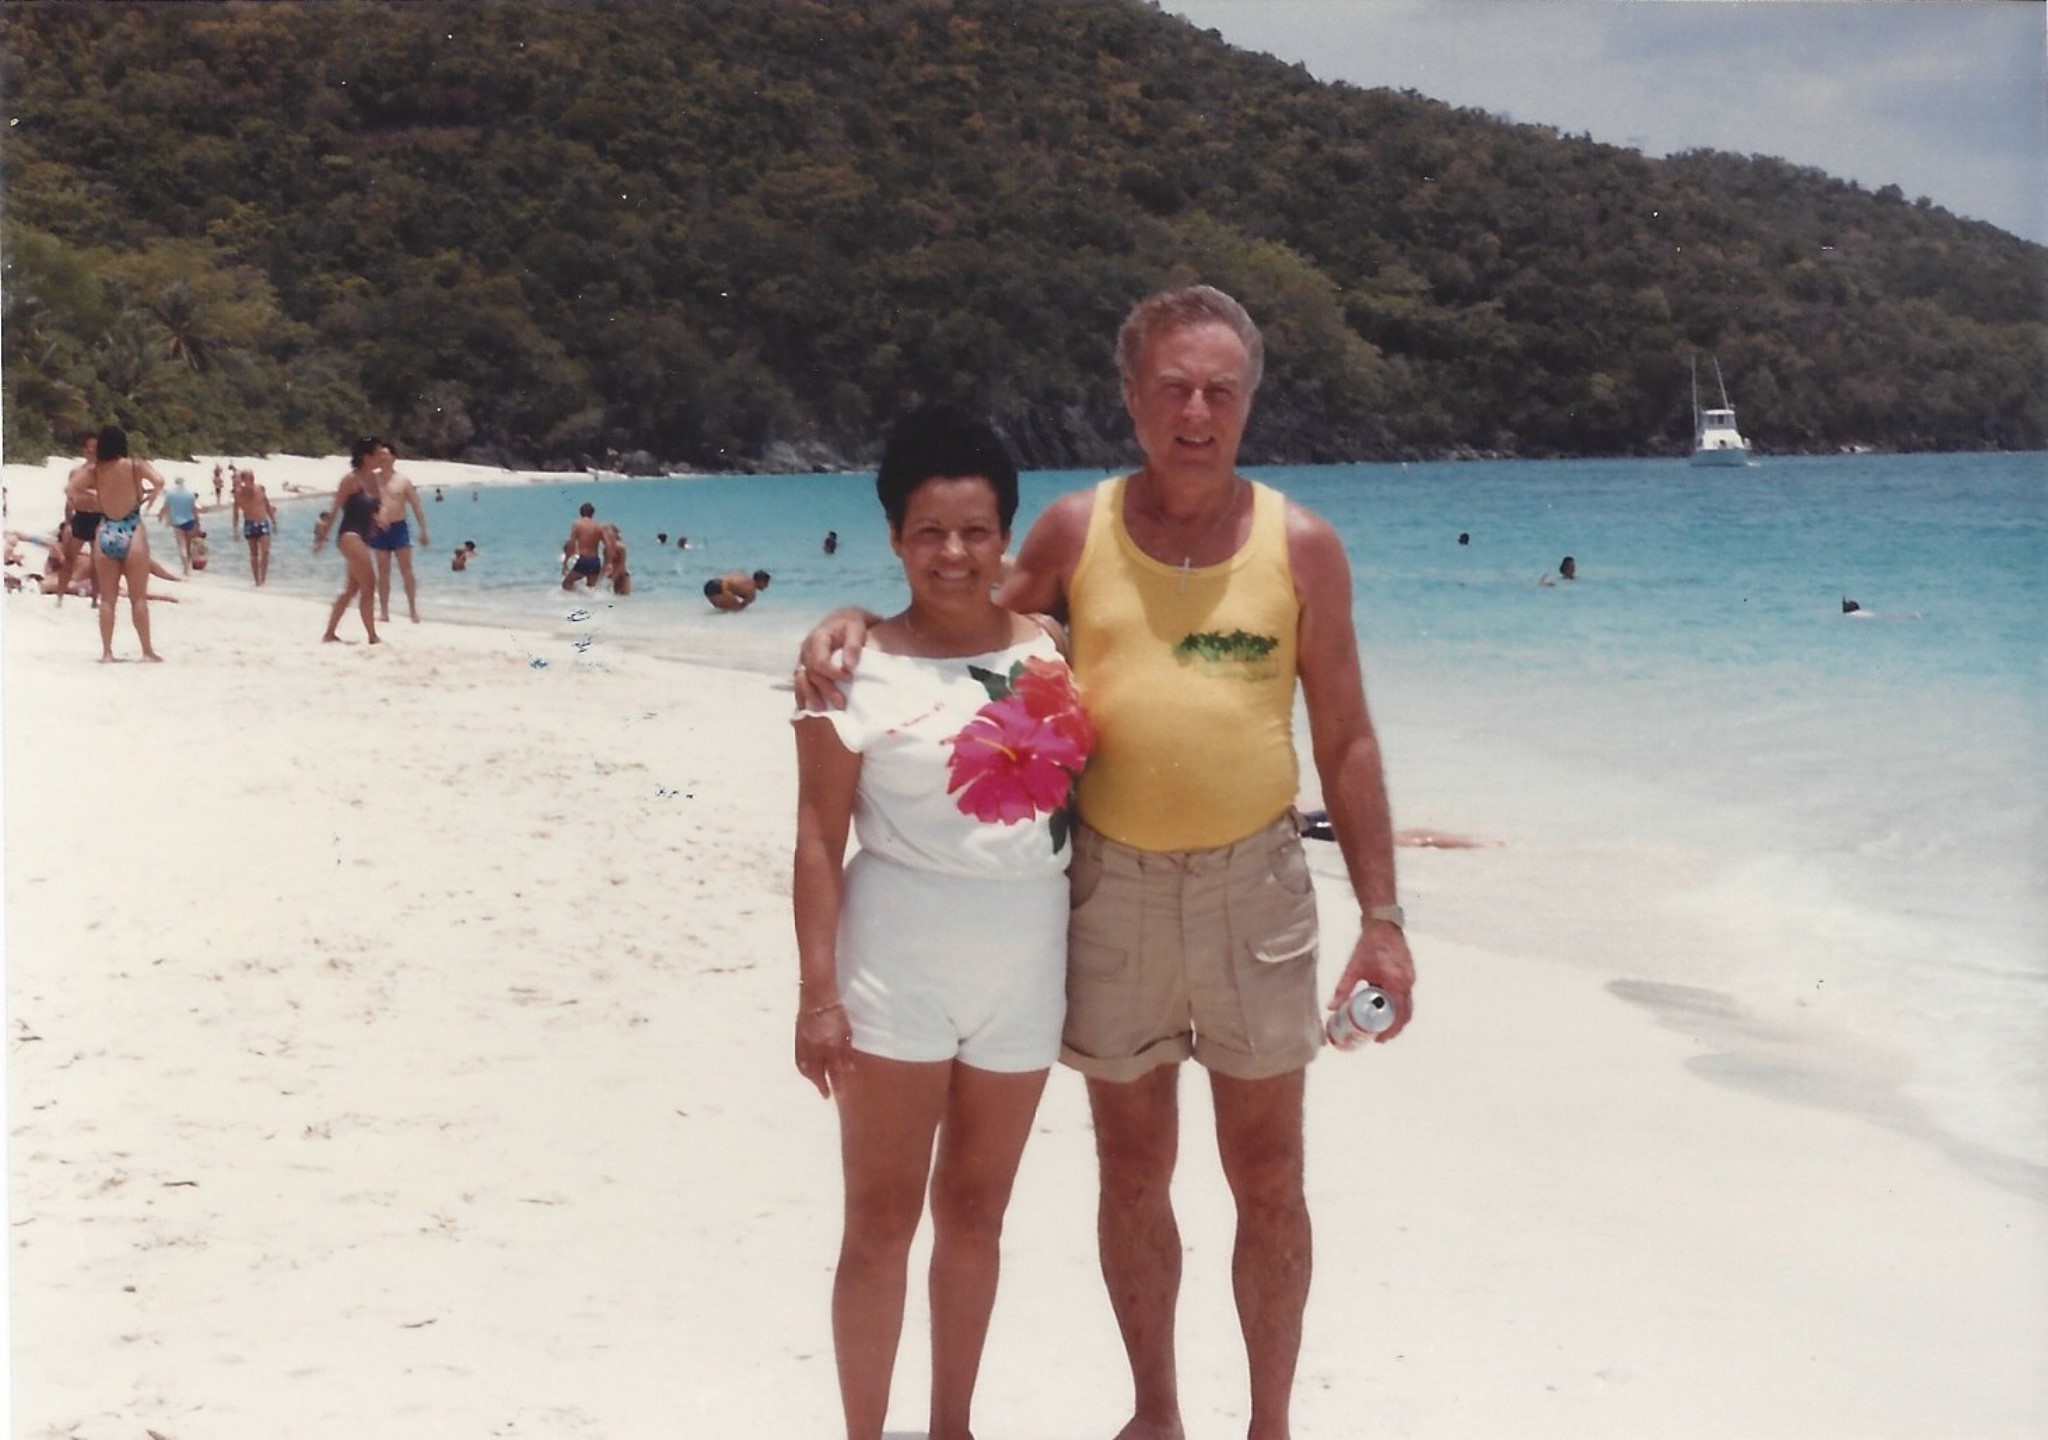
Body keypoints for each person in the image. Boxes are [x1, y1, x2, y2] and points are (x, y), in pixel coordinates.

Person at [799, 285, 1415, 1440]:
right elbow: (957, 625)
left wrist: (1380, 916)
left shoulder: (1302, 547)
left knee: (1267, 1175)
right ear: (1130, 400)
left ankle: (1269, 1425)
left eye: (1219, 391)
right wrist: (849, 623)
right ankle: (1155, 1415)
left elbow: (1346, 737)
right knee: (1131, 1169)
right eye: (1172, 388)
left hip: (1256, 891)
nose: (1195, 412)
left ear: (1248, 402)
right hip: (1109, 890)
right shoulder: (1074, 533)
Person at [792, 406, 1091, 1440]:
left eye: (974, 531)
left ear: (1006, 536)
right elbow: (816, 836)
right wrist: (816, 996)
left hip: (1027, 969)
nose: (952, 554)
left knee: (977, 1216)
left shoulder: (1056, 649)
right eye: (928, 532)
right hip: (894, 971)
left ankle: (951, 1426)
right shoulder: (846, 669)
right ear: (893, 538)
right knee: (879, 1224)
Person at [87, 425, 167, 662]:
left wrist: (94, 499)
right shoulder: (134, 466)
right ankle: (146, 651)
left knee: (107, 599)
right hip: (132, 527)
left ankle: (107, 653)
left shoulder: (96, 470)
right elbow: (159, 480)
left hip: (106, 528)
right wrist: (149, 496)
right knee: (138, 598)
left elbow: (71, 489)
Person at [313, 437, 384, 644]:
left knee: (352, 589)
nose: (381, 457)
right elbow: (334, 510)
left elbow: (375, 511)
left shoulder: (374, 481)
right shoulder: (351, 480)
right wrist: (322, 538)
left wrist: (379, 524)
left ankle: (329, 633)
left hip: (363, 538)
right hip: (349, 536)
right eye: (378, 454)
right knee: (370, 584)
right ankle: (372, 636)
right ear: (366, 457)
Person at [368, 442, 429, 622]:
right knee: (383, 572)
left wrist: (423, 530)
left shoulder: (403, 480)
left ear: (394, 457)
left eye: (386, 454)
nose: (383, 457)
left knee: (406, 570)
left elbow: (416, 505)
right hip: (379, 529)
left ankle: (413, 610)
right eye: (380, 454)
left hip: (399, 528)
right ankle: (384, 612)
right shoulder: (372, 480)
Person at [59, 433, 101, 607]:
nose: (93, 451)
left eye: (96, 448)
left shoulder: (106, 472)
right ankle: (60, 597)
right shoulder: (76, 472)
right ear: (84, 449)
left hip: (99, 518)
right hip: (81, 517)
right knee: (69, 559)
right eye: (90, 447)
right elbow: (69, 499)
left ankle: (95, 599)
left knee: (98, 561)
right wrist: (68, 523)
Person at [232, 468, 278, 586]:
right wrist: (235, 529)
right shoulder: (239, 494)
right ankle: (257, 580)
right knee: (254, 553)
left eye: (252, 477)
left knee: (265, 551)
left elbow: (267, 505)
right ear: (243, 480)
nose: (252, 480)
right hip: (250, 524)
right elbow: (235, 512)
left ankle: (263, 579)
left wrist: (273, 521)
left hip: (262, 522)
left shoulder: (260, 489)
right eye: (249, 478)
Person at [156, 475, 201, 574]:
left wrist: (160, 516)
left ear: (176, 482)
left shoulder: (170, 494)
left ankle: (185, 569)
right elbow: (194, 510)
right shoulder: (190, 494)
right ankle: (189, 566)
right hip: (190, 521)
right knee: (188, 545)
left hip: (177, 523)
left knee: (182, 546)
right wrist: (198, 524)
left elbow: (165, 507)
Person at [560, 502, 606, 591]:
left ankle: (576, 598)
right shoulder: (599, 527)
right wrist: (608, 563)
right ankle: (588, 599)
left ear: (581, 513)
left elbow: (572, 544)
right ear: (592, 513)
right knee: (591, 589)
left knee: (566, 584)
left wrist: (566, 561)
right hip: (595, 561)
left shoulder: (577, 525)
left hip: (584, 560)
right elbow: (607, 546)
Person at [704, 568, 770, 612]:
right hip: (721, 586)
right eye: (766, 583)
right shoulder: (752, 591)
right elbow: (741, 607)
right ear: (761, 581)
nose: (767, 586)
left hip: (709, 585)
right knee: (736, 610)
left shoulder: (743, 575)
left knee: (721, 611)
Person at [602, 523, 631, 595]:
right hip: (613, 576)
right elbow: (605, 564)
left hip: (622, 576)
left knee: (624, 599)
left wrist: (612, 579)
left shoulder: (621, 547)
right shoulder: (606, 549)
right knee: (614, 600)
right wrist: (599, 580)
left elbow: (621, 564)